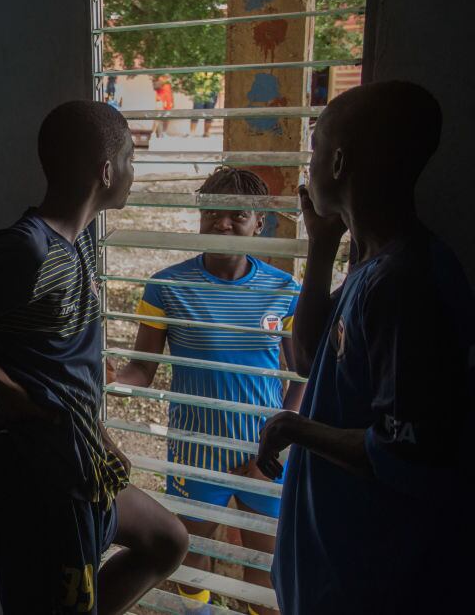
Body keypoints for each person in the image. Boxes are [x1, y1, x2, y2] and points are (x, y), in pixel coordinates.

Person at [0, 101, 188, 614]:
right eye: (130, 159)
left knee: (167, 541)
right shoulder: (27, 250)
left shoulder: (79, 241)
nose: (135, 171)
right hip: (37, 473)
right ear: (106, 171)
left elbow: (66, 363)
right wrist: (4, 387)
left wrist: (102, 437)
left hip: (80, 456)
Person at [256, 80, 474, 613]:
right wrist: (321, 244)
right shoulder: (372, 264)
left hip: (368, 583)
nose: (306, 167)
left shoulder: (405, 283)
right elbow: (308, 357)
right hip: (330, 575)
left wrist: (293, 428)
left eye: (313, 151)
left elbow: (409, 452)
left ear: (338, 163)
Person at [115, 167, 300, 615]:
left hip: (263, 450)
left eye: (238, 216)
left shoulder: (284, 290)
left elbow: (302, 378)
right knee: (190, 551)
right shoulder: (167, 287)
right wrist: (114, 379)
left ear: (260, 223)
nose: (223, 224)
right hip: (196, 450)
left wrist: (279, 444)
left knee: (264, 561)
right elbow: (142, 368)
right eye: (212, 213)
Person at [152, 74, 174, 138]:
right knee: (157, 117)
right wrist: (163, 80)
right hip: (161, 101)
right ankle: (153, 133)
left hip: (168, 102)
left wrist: (172, 102)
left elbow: (170, 92)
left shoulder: (169, 83)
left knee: (167, 118)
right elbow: (156, 87)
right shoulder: (160, 79)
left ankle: (164, 132)